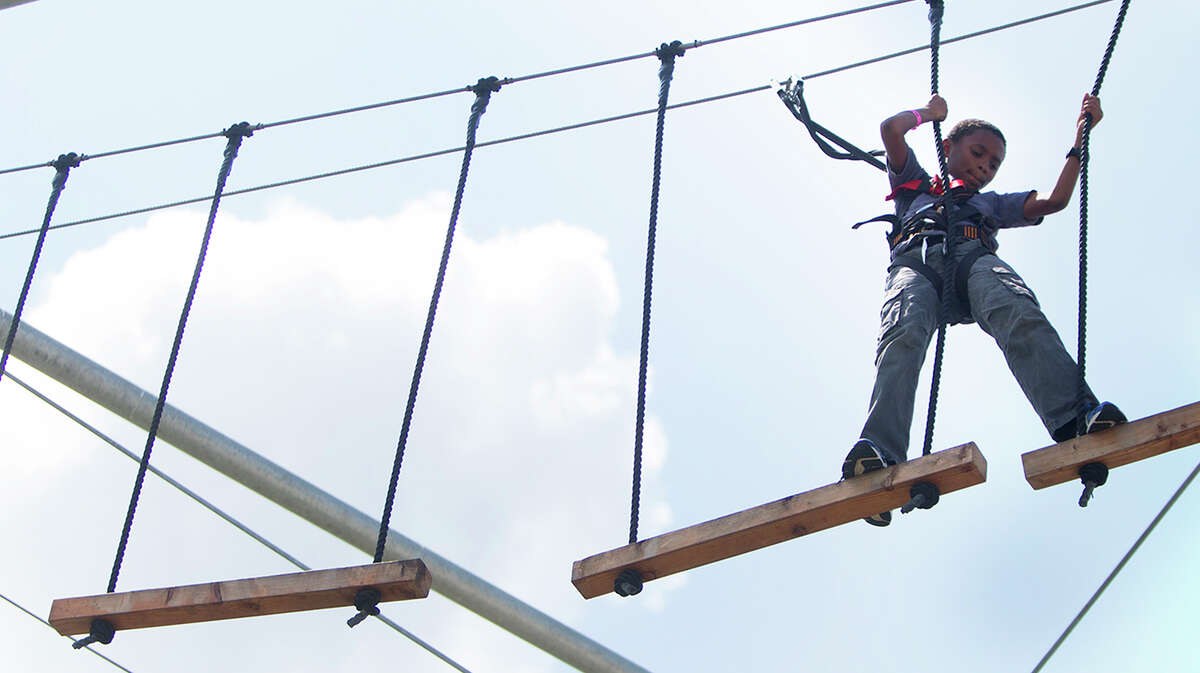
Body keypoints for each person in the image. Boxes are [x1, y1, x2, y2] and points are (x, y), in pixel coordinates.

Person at [842, 93, 1125, 526]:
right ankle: (879, 450)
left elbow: (1054, 201)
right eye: (978, 153)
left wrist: (1080, 138)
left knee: (1018, 313)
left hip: (972, 258)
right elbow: (890, 131)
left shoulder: (989, 204)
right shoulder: (914, 183)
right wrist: (929, 115)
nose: (985, 166)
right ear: (949, 147)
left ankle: (1076, 418)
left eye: (993, 164)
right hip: (917, 261)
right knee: (902, 337)